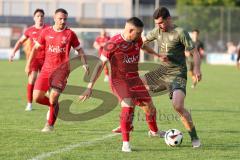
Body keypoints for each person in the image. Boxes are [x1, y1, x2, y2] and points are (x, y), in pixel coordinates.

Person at [79, 17, 166, 152]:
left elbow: (142, 46)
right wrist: (89, 87)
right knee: (128, 103)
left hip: (135, 79)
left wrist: (157, 55)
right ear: (130, 30)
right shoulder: (112, 43)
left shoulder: (136, 39)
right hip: (119, 80)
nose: (140, 36)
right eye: (138, 33)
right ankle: (126, 144)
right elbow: (100, 65)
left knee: (150, 107)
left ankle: (154, 132)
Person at [141, 7, 202, 148]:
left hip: (178, 73)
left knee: (178, 106)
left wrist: (197, 69)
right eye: (156, 23)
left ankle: (194, 137)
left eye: (161, 23)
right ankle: (151, 129)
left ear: (169, 19)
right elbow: (141, 43)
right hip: (162, 71)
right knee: (136, 85)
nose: (159, 26)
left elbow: (195, 53)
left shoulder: (180, 32)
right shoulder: (156, 31)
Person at [25, 8, 89, 132]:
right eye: (60, 18)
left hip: (62, 70)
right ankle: (53, 107)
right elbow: (35, 48)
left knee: (53, 96)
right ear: (54, 18)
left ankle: (49, 125)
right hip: (46, 70)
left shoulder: (70, 34)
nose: (63, 21)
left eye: (65, 19)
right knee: (37, 98)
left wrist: (84, 63)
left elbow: (79, 50)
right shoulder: (45, 32)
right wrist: (28, 64)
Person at [9, 9, 49, 111]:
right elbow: (20, 41)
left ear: (44, 18)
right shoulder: (30, 30)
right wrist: (13, 52)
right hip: (34, 59)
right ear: (34, 18)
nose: (40, 18)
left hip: (46, 59)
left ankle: (51, 104)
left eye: (41, 16)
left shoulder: (48, 29)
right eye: (38, 16)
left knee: (48, 82)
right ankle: (29, 104)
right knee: (32, 79)